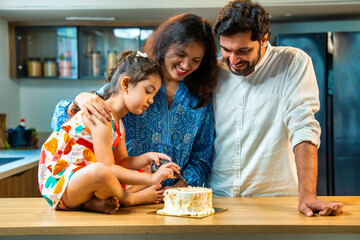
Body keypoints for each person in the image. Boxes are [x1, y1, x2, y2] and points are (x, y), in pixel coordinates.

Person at [206, 0, 344, 217]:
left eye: (242, 51)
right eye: (225, 49)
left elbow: (304, 126)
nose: (233, 60)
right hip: (218, 197)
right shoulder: (214, 70)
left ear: (263, 40)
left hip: (274, 197)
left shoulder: (292, 62)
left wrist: (307, 194)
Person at [50, 13, 218, 189]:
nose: (185, 65)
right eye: (180, 54)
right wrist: (79, 100)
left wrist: (178, 188)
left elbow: (202, 157)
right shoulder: (138, 80)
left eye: (195, 60)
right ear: (165, 45)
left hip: (173, 200)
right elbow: (61, 125)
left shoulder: (200, 97)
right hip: (123, 193)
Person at [39, 50, 180, 214]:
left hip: (83, 184)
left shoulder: (118, 123)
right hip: (62, 185)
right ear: (125, 84)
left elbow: (123, 161)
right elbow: (107, 167)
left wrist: (147, 159)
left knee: (147, 172)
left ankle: (93, 203)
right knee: (102, 172)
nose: (151, 100)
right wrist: (150, 179)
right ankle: (129, 199)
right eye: (148, 91)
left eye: (154, 95)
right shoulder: (102, 116)